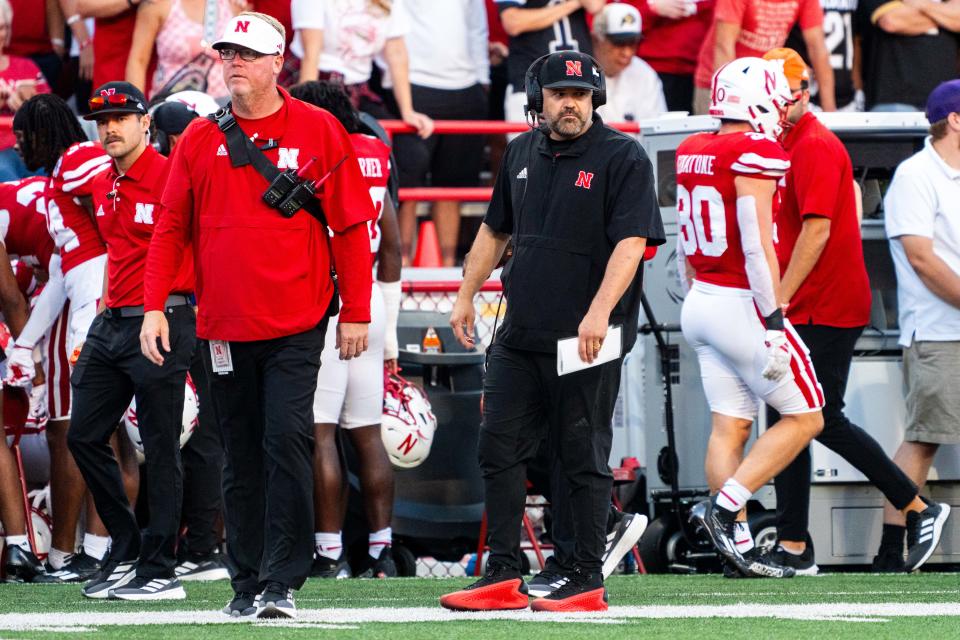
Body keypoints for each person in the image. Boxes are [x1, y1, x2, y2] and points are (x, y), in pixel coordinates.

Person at [140, 12, 377, 620]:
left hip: (299, 319)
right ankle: (245, 579)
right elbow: (168, 229)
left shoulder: (321, 129)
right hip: (220, 325)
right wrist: (153, 308)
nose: (234, 61)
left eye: (246, 52)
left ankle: (282, 580)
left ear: (278, 63)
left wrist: (356, 312)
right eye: (227, 52)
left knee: (286, 442)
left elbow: (351, 226)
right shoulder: (197, 138)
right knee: (238, 455)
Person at [441, 50, 665, 613]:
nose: (571, 103)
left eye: (582, 95)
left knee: (580, 453)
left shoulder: (623, 157)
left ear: (597, 99)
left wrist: (597, 313)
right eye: (561, 93)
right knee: (498, 446)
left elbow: (632, 243)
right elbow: (495, 230)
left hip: (588, 333)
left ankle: (584, 575)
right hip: (520, 331)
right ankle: (503, 573)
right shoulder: (519, 152)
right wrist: (466, 294)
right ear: (538, 97)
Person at [760, 47, 943, 576]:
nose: (778, 100)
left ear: (804, 91)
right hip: (814, 301)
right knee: (794, 420)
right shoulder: (789, 139)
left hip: (826, 303)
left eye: (786, 89)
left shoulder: (813, 144)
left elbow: (816, 230)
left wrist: (780, 300)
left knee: (813, 418)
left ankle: (913, 506)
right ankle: (795, 541)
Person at [676, 57, 824, 578]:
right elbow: (760, 245)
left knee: (730, 425)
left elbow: (681, 240)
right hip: (740, 302)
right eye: (778, 96)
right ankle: (722, 510)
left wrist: (694, 289)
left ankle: (735, 544)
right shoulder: (754, 148)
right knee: (808, 415)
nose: (784, 106)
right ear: (758, 98)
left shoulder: (694, 146)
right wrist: (774, 318)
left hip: (701, 300)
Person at [61, 81, 197, 601]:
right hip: (112, 319)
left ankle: (161, 567)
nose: (111, 127)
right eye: (102, 120)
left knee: (161, 445)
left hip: (163, 318)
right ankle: (127, 547)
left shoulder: (172, 177)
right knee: (83, 435)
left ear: (147, 122)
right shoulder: (104, 182)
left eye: (122, 117)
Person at [289, 80, 403, 580]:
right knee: (367, 431)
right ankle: (383, 550)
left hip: (334, 298)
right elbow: (394, 249)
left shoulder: (319, 152)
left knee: (321, 432)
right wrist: (392, 330)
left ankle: (329, 551)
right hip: (373, 301)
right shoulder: (375, 152)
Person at [8, 94, 114, 584]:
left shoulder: (80, 159)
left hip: (101, 313)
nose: (17, 144)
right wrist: (23, 343)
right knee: (97, 435)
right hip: (84, 308)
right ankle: (98, 551)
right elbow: (57, 274)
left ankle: (85, 553)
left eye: (24, 135)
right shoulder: (56, 182)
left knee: (86, 434)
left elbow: (117, 218)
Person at [876, 80, 959, 571]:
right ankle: (891, 549)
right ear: (954, 119)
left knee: (923, 435)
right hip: (938, 330)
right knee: (923, 436)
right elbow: (922, 259)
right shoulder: (915, 175)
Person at [391, 0, 489, 267]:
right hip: (413, 82)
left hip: (466, 85)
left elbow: (476, 27)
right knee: (408, 180)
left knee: (452, 186)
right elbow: (388, 25)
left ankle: (446, 267)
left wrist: (482, 78)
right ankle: (401, 266)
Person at [289, 0, 432, 137]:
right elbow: (311, 55)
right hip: (316, 85)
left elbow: (397, 53)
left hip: (358, 89)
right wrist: (304, 109)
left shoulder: (389, 2)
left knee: (410, 151)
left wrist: (407, 111)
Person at [692, 0, 836, 114]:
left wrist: (830, 113)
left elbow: (818, 49)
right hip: (719, 81)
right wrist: (730, 101)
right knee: (722, 145)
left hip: (763, 85)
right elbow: (724, 47)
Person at [495, 0, 605, 125]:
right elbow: (513, 22)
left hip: (579, 84)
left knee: (587, 143)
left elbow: (595, 5)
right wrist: (572, 5)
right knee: (531, 143)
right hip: (532, 85)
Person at [856, 0, 959, 111]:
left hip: (947, 102)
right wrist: (946, 15)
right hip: (894, 100)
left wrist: (920, 4)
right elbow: (892, 21)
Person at [126, 0, 238, 101]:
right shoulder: (157, 4)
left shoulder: (232, 4)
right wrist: (137, 110)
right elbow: (138, 61)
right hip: (172, 105)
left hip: (223, 105)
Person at [630, 0, 716, 113]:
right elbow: (617, 21)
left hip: (696, 71)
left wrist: (697, 7)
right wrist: (651, 9)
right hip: (651, 67)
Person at [591, 3, 666, 125]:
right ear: (597, 40)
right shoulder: (579, 72)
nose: (627, 52)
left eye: (633, 43)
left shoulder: (644, 73)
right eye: (619, 43)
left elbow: (657, 130)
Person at [0, 0, 50, 181]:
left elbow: (55, 113)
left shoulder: (27, 67)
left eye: (2, 28)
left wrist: (32, 103)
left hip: (34, 148)